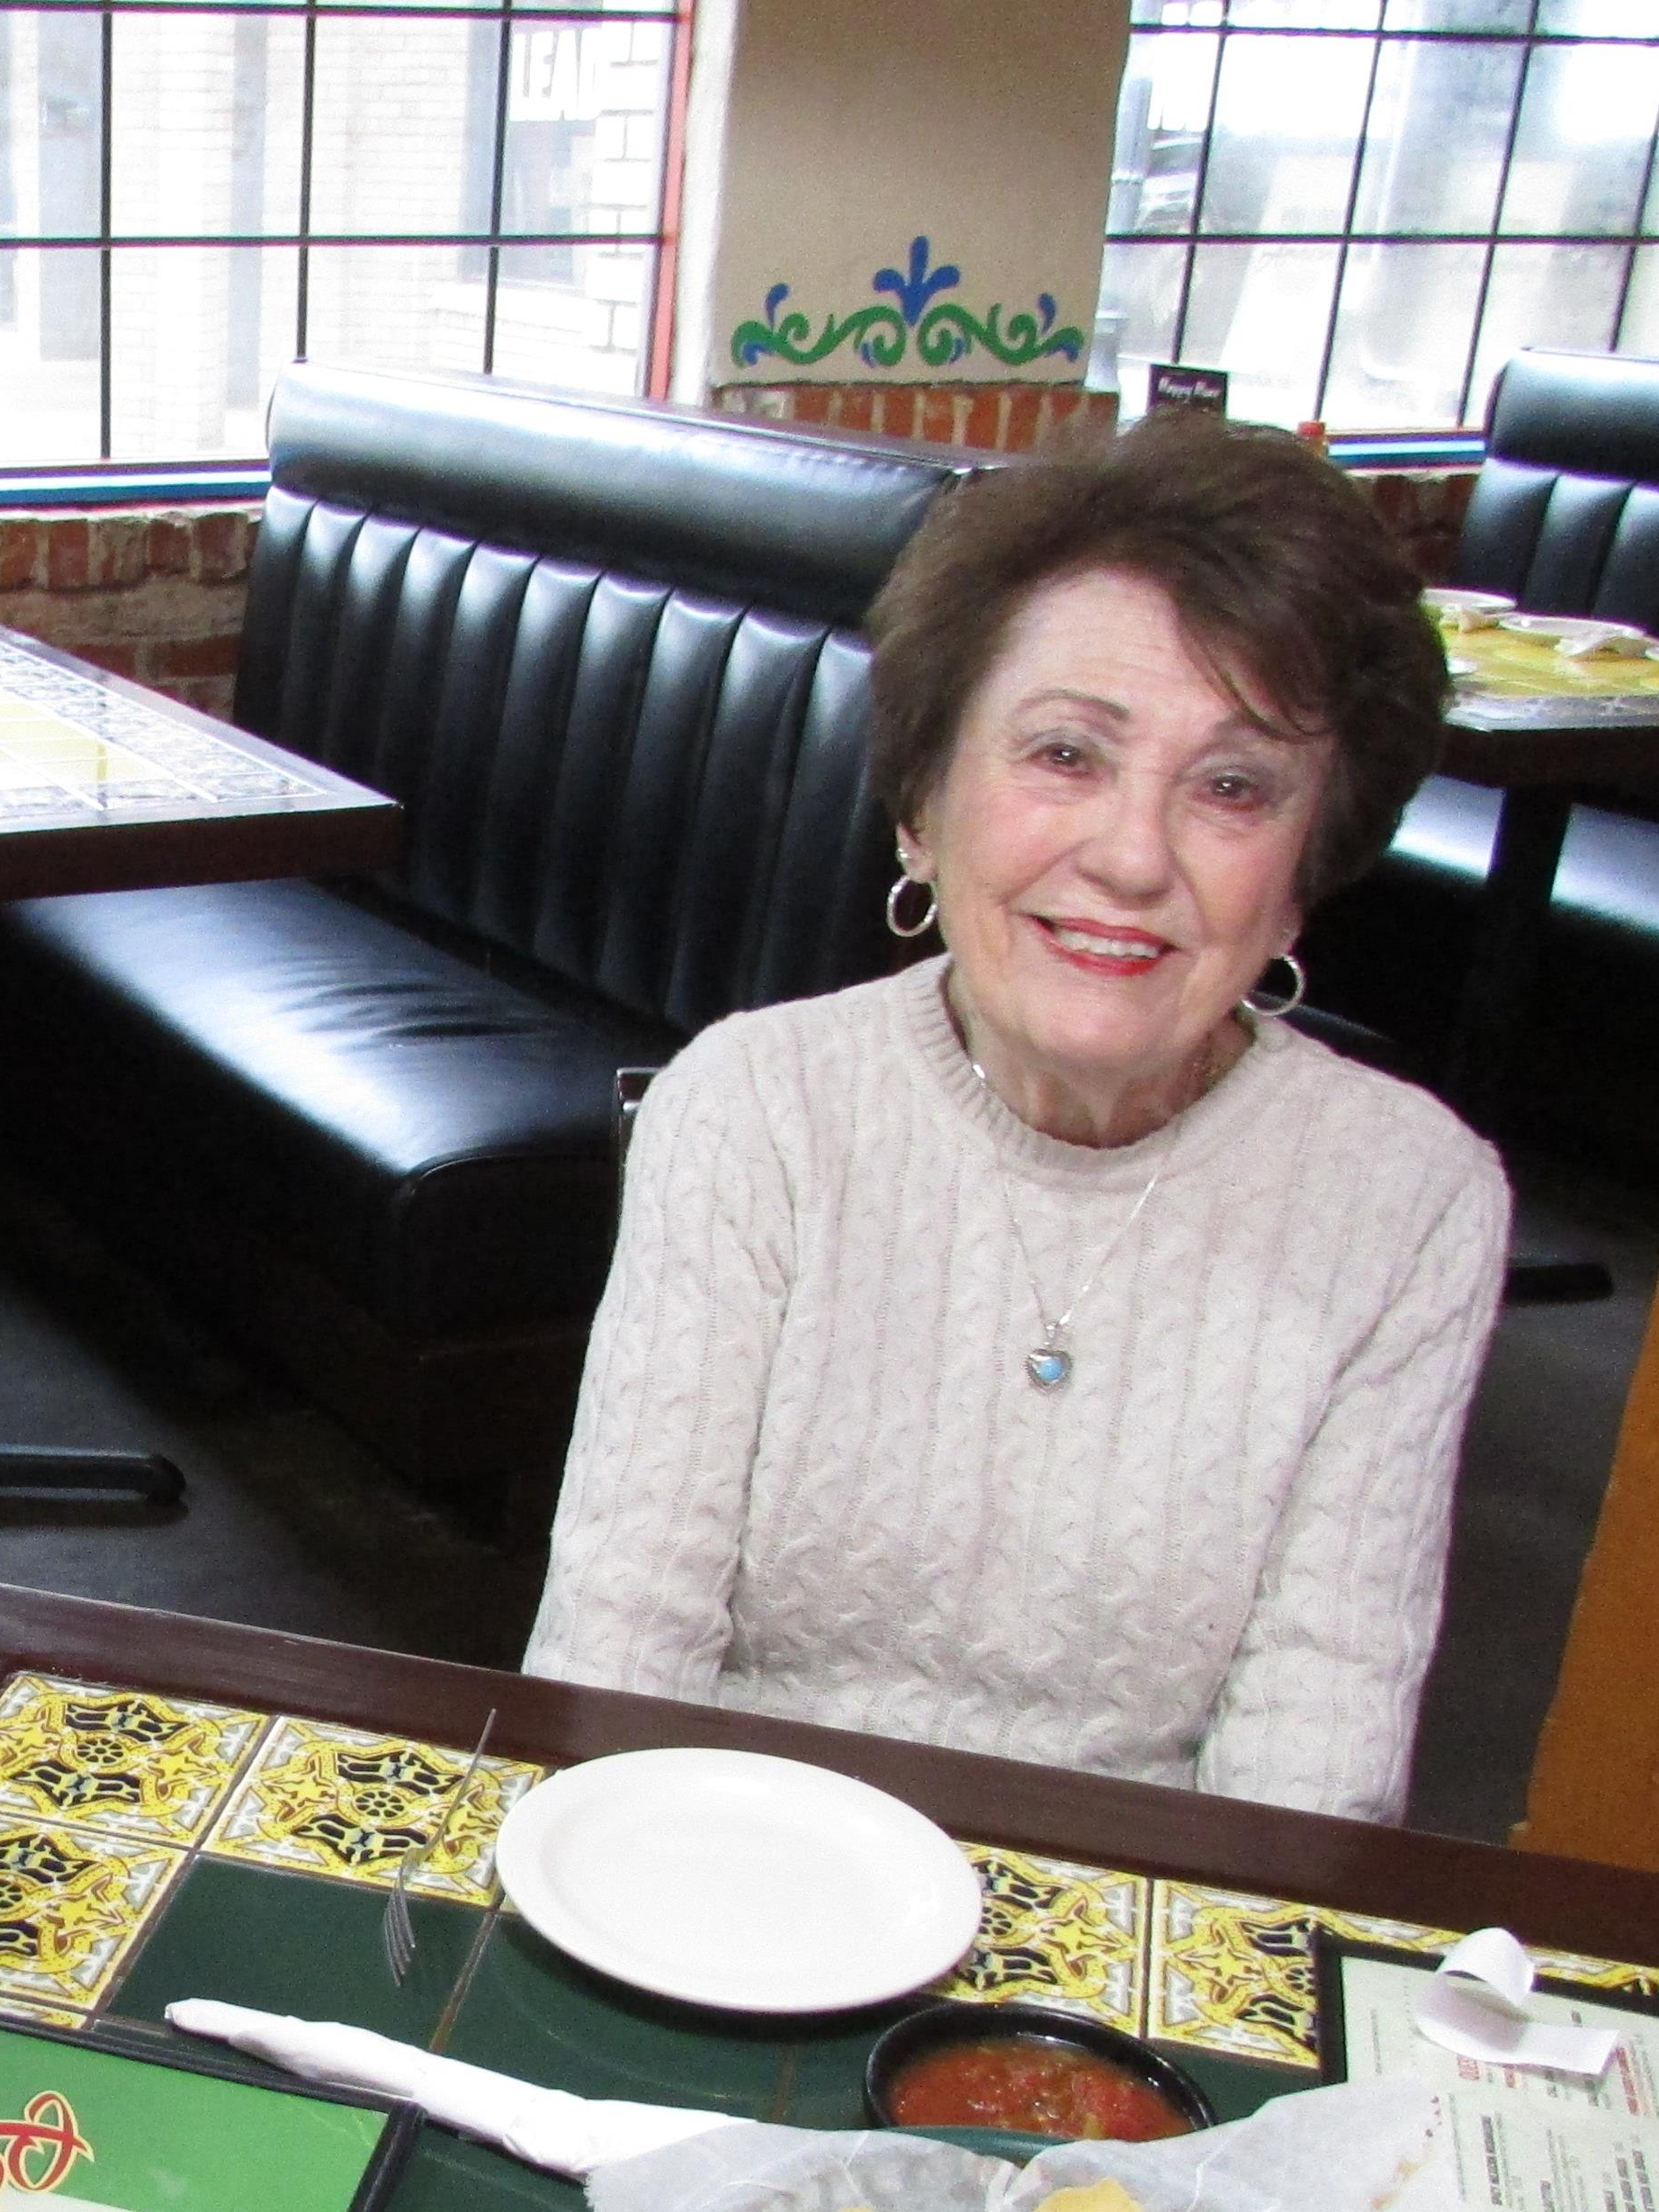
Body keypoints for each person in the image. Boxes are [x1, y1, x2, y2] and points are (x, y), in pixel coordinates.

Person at [524, 416, 1506, 1821]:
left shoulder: (1411, 1201)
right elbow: (615, 1675)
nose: (1130, 855)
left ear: (1302, 877)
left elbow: (1313, 1776)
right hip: (726, 1878)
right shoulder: (754, 1110)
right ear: (923, 806)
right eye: (1064, 755)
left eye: (1232, 788)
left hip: (1135, 1946)